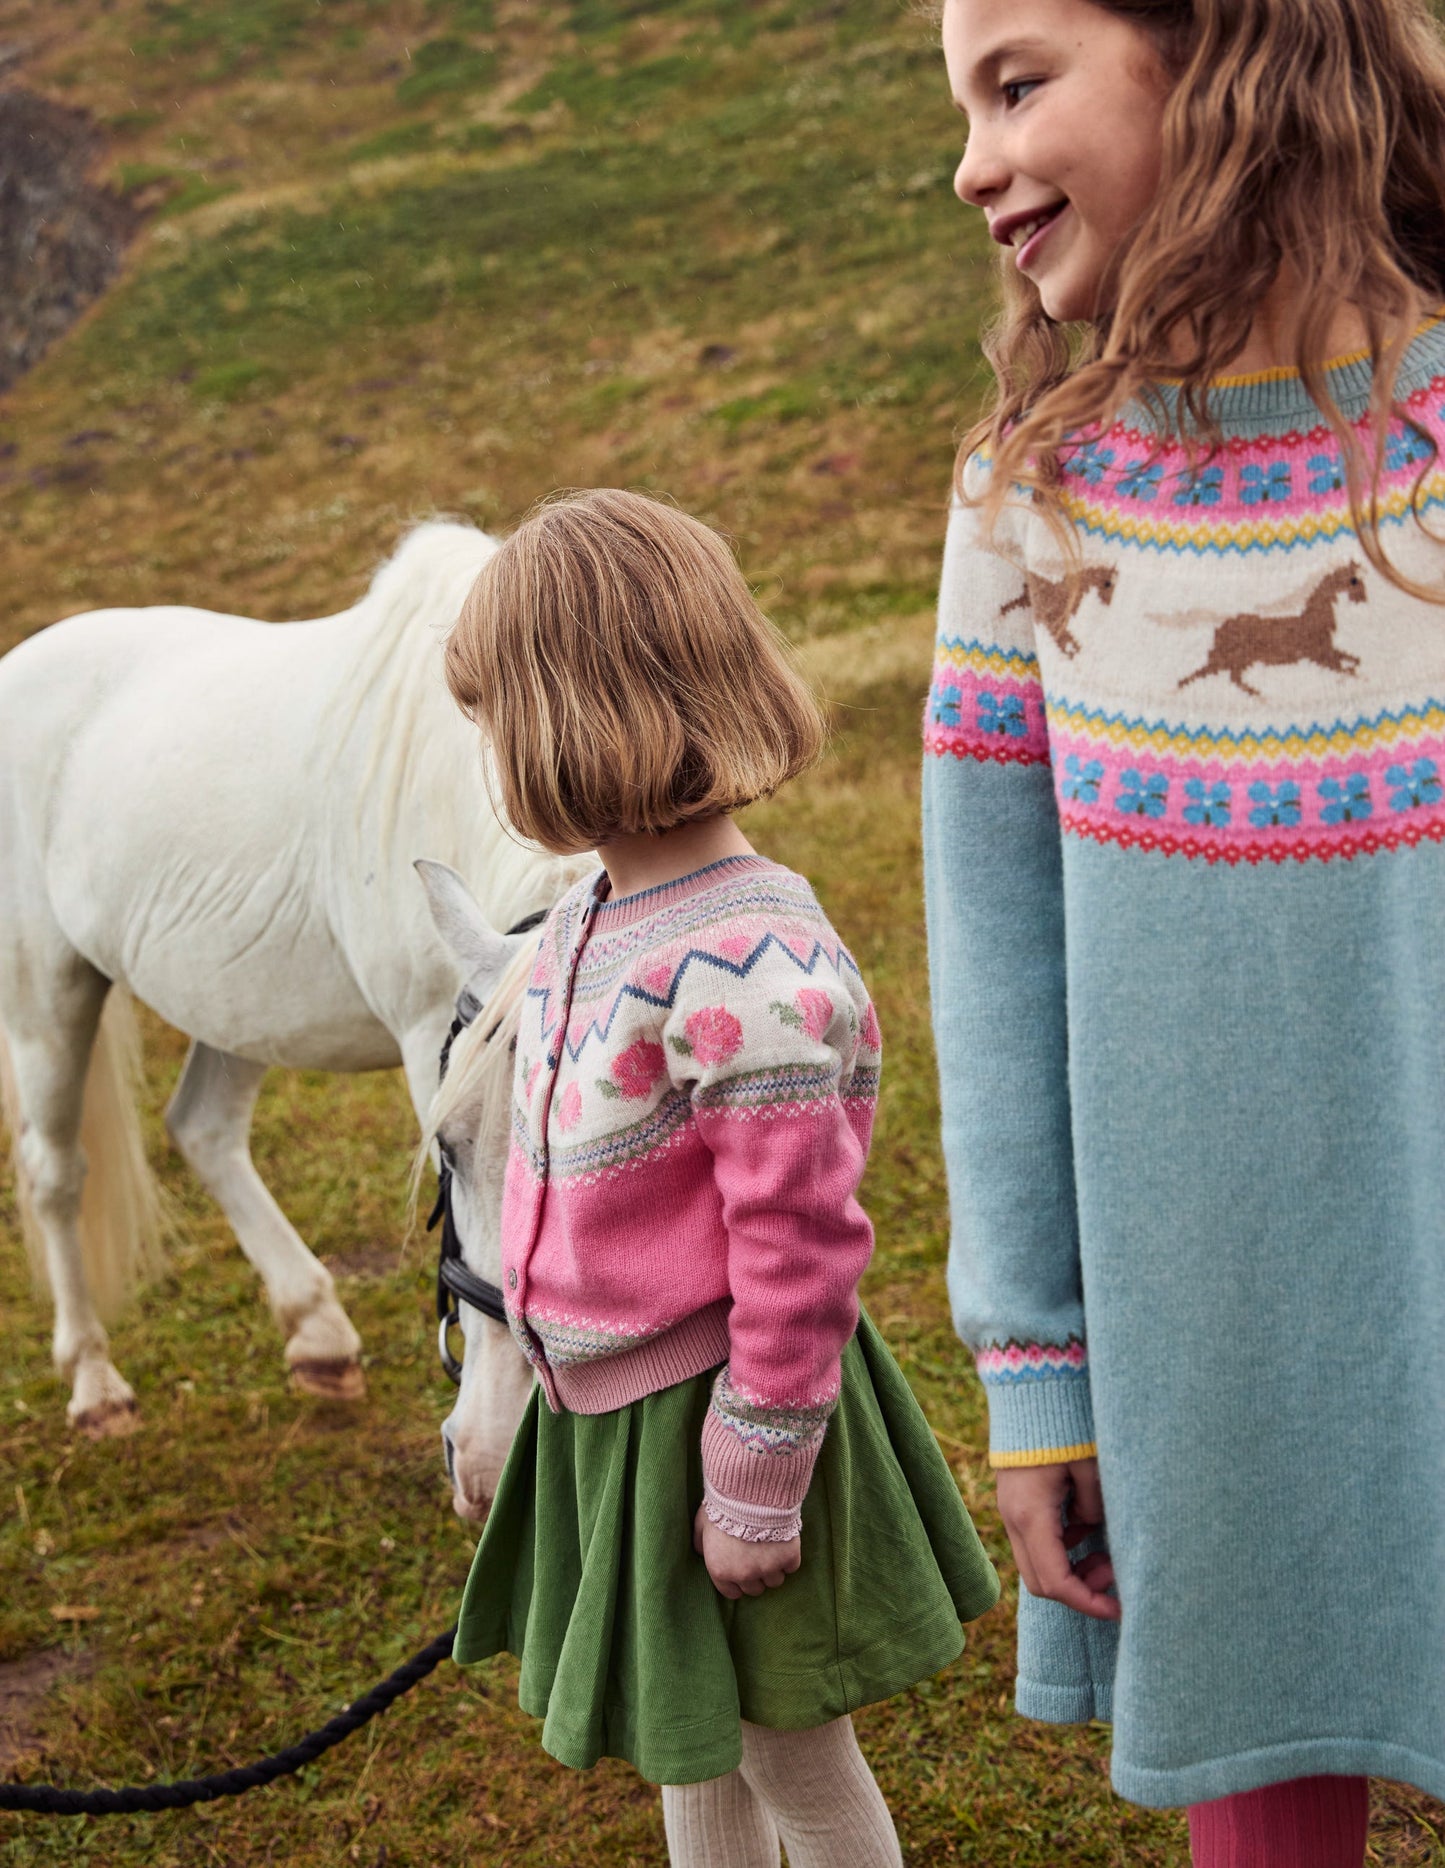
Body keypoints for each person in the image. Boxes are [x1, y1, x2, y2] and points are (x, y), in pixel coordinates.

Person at [925, 0, 1445, 1862]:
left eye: (1016, 80)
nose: (973, 161)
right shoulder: (1032, 503)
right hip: (1206, 1374)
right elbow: (995, 970)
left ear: (1226, 53)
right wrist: (1036, 1370)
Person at [441, 488, 1000, 1868]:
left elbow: (800, 1245)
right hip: (619, 1415)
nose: (489, 751)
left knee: (795, 1763)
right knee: (695, 1736)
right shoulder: (587, 915)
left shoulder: (748, 964)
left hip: (726, 1413)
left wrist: (755, 1475)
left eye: (493, 717)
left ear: (575, 714)